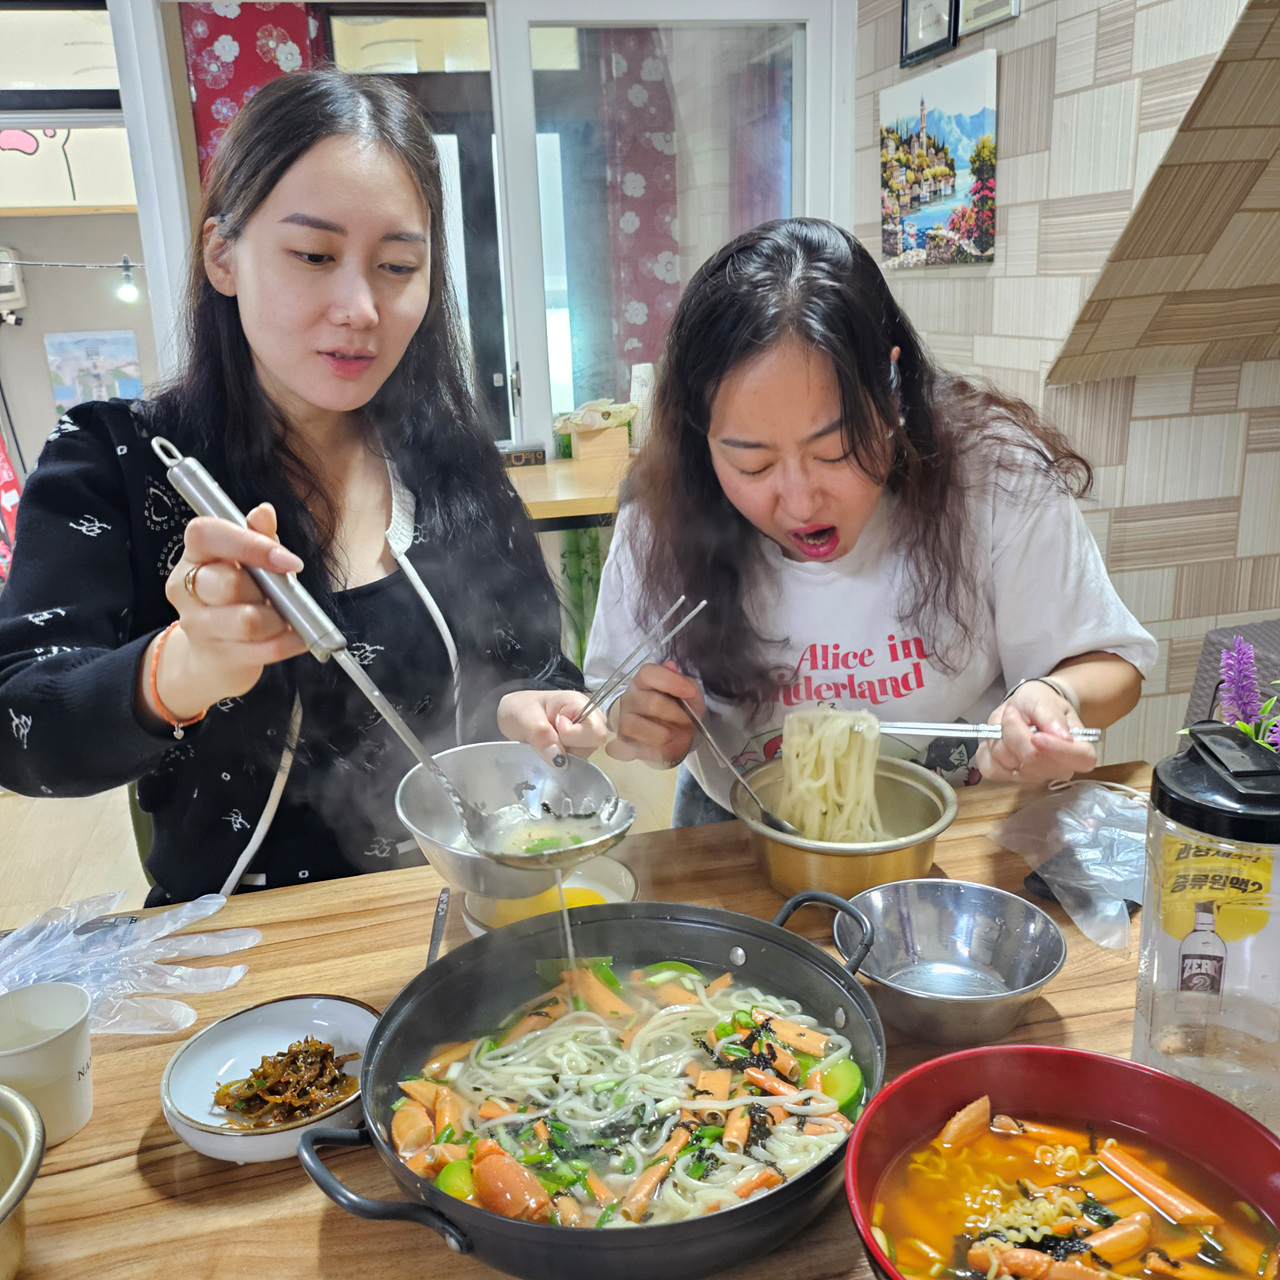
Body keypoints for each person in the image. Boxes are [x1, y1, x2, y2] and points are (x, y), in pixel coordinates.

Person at [0, 71, 605, 901]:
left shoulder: (448, 459)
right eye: (315, 256)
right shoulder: (117, 460)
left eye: (397, 265)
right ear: (223, 255)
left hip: (445, 906)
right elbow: (21, 729)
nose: (360, 307)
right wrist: (185, 665)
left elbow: (537, 667)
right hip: (245, 945)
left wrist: (526, 712)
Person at [585, 218, 1156, 826]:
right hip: (741, 825)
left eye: (835, 451)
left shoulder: (992, 473)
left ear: (891, 389)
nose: (800, 502)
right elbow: (616, 692)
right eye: (753, 465)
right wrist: (643, 721)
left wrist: (1055, 696)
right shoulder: (665, 507)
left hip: (956, 822)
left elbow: (1110, 664)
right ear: (700, 436)